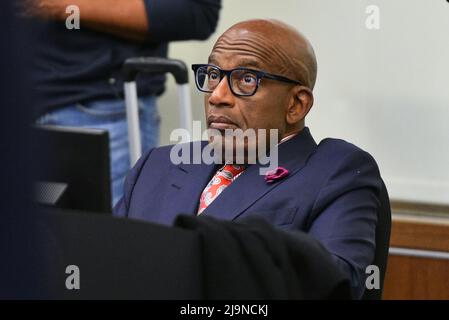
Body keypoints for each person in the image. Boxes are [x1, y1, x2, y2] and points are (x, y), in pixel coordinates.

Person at [114, 19, 390, 299]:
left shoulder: (336, 171)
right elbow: (106, 266)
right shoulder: (157, 165)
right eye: (213, 74)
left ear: (296, 105)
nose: (217, 96)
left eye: (246, 79)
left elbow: (336, 285)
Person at [24, 0, 222, 206]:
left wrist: (63, 6)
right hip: (22, 102)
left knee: (98, 234)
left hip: (101, 108)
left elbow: (196, 12)